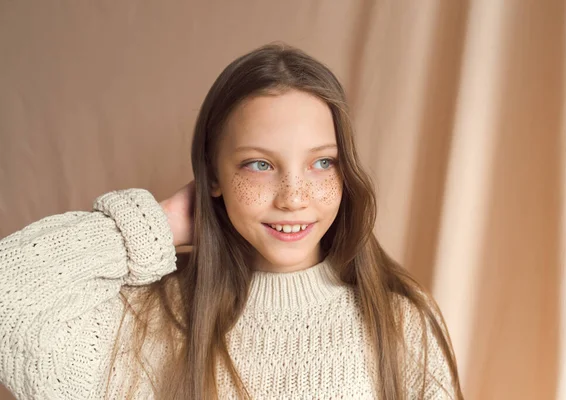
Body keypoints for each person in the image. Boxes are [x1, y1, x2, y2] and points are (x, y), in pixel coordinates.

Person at [0, 43, 463, 399]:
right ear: (213, 175)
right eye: (259, 165)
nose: (293, 197)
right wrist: (158, 224)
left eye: (322, 163)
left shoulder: (398, 319)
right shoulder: (150, 323)